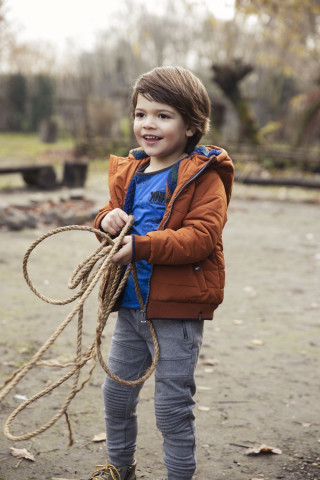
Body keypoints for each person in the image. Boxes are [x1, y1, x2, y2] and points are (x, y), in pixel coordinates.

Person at [89, 66, 234, 480]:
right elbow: (109, 216)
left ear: (191, 126)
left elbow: (202, 237)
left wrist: (143, 245)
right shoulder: (132, 173)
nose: (148, 124)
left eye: (163, 115)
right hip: (131, 306)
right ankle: (119, 469)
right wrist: (107, 221)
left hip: (176, 313)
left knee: (171, 408)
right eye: (141, 114)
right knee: (116, 395)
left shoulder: (204, 178)